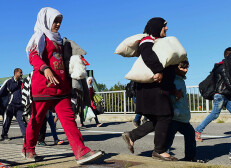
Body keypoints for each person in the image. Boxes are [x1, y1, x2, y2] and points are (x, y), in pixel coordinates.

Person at [23, 7, 103, 164]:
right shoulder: (39, 37)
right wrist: (45, 68)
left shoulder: (60, 40)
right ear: (46, 21)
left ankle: (81, 152)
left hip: (61, 88)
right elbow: (32, 56)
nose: (58, 24)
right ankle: (28, 148)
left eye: (60, 22)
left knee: (68, 120)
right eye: (55, 21)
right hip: (43, 88)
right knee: (37, 120)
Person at [122, 17, 182, 161]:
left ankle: (132, 136)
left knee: (159, 119)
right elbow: (147, 54)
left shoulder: (161, 43)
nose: (166, 28)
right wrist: (158, 70)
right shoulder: (148, 40)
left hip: (160, 87)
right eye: (164, 26)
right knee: (165, 116)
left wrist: (173, 89)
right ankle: (159, 151)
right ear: (156, 27)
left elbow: (169, 70)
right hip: (154, 88)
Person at [195, 47, 231, 142]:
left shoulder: (229, 67)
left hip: (227, 95)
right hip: (220, 95)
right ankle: (197, 130)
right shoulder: (222, 67)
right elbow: (228, 83)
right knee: (214, 114)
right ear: (229, 56)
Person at [166, 60, 197, 161]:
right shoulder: (171, 81)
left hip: (183, 117)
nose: (186, 70)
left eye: (187, 67)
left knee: (190, 134)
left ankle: (189, 159)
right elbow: (166, 99)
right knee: (168, 139)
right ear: (175, 67)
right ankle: (163, 158)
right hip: (174, 117)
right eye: (182, 67)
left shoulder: (181, 80)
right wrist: (176, 97)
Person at [0, 68, 27, 141]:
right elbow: (1, 91)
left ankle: (25, 136)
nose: (21, 74)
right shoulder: (8, 81)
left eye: (22, 73)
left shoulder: (21, 83)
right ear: (16, 73)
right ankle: (4, 135)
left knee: (21, 120)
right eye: (20, 73)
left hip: (19, 106)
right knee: (7, 121)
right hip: (9, 105)